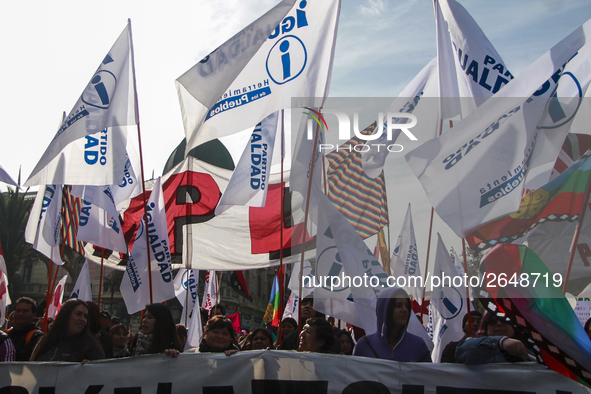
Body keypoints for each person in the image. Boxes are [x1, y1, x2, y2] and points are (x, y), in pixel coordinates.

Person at [353, 287, 431, 362]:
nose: (404, 309)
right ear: (385, 310)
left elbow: (430, 374)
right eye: (398, 305)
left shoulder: (418, 345)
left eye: (407, 306)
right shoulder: (364, 345)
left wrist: (416, 372)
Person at [30, 299, 105, 362]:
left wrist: (91, 369)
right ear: (65, 315)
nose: (82, 319)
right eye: (78, 314)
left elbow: (100, 375)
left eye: (85, 317)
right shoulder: (45, 341)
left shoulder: (92, 347)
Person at [455, 311, 531, 365]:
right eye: (492, 320)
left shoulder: (532, 349)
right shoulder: (473, 345)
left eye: (505, 319)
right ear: (486, 326)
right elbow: (462, 351)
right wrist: (499, 343)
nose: (499, 323)